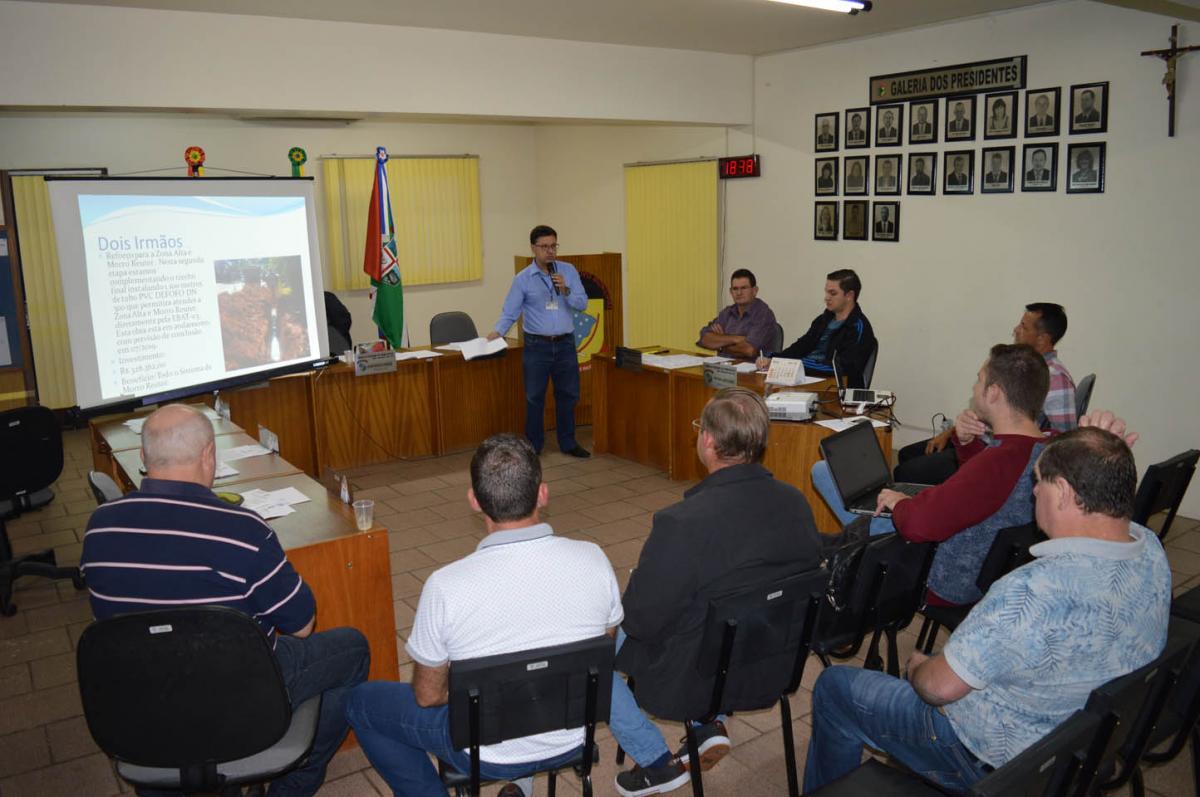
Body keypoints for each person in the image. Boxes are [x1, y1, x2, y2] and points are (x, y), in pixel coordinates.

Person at [803, 419, 1170, 793]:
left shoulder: (1031, 591)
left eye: (1038, 482)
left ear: (1062, 492)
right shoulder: (1150, 551)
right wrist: (1099, 447)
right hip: (1078, 747)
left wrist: (918, 668)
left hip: (992, 759)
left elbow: (938, 689)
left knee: (836, 687)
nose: (1033, 493)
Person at [79, 404, 370, 797]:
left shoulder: (99, 527)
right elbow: (302, 625)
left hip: (143, 700)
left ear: (144, 459)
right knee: (352, 648)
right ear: (208, 456)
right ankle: (295, 783)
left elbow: (115, 622)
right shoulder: (243, 530)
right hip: (244, 693)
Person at [346, 434, 624, 797]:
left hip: (484, 753)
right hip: (572, 737)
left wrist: (486, 695)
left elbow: (428, 696)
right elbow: (602, 651)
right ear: (543, 493)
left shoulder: (445, 586)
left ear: (474, 501)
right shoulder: (594, 560)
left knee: (360, 702)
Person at [611, 388, 824, 796]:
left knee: (592, 659)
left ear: (707, 441)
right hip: (769, 661)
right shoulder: (796, 503)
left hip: (697, 674)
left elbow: (641, 620)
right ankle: (706, 723)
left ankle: (656, 762)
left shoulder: (682, 523)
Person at [812, 344, 1051, 609]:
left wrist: (902, 502)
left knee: (867, 519)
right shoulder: (1044, 450)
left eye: (979, 379)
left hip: (945, 579)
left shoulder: (999, 461)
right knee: (864, 517)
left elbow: (920, 525)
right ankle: (837, 550)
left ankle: (835, 569)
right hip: (986, 571)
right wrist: (967, 443)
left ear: (994, 393)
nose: (974, 388)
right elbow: (984, 494)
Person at [895, 303, 1077, 485]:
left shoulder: (1056, 379)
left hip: (990, 452)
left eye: (1023, 326)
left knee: (906, 472)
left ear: (1042, 338)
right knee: (905, 454)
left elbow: (1065, 441)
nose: (1015, 330)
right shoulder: (1022, 365)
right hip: (976, 437)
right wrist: (951, 432)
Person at [488, 225, 590, 458]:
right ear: (533, 248)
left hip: (565, 344)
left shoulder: (568, 271)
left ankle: (568, 442)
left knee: (568, 395)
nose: (550, 252)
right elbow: (510, 312)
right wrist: (497, 333)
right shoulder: (523, 279)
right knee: (534, 397)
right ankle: (533, 446)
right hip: (537, 346)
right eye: (544, 247)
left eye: (554, 246)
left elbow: (582, 303)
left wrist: (566, 289)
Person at [758, 269, 876, 388]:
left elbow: (842, 368)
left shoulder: (858, 327)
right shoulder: (823, 319)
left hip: (833, 387)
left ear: (849, 295)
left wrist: (796, 364)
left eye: (833, 293)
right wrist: (773, 358)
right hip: (805, 378)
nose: (827, 298)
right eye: (826, 292)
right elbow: (801, 346)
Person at [697, 269, 778, 359]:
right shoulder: (727, 313)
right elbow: (704, 339)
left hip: (751, 370)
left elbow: (749, 350)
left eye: (744, 288)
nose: (739, 293)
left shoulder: (763, 314)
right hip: (724, 367)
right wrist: (736, 339)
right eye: (735, 289)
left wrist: (720, 343)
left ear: (755, 291)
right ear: (731, 292)